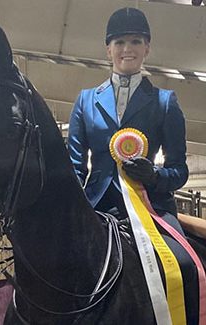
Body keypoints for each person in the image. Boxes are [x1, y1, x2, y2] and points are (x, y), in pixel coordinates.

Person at [68, 7, 188, 222]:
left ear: (147, 48)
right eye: (119, 42)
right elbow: (75, 166)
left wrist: (154, 176)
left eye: (135, 41)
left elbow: (179, 170)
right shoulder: (85, 101)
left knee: (183, 257)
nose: (127, 49)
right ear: (108, 49)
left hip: (151, 205)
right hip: (96, 203)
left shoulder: (165, 101)